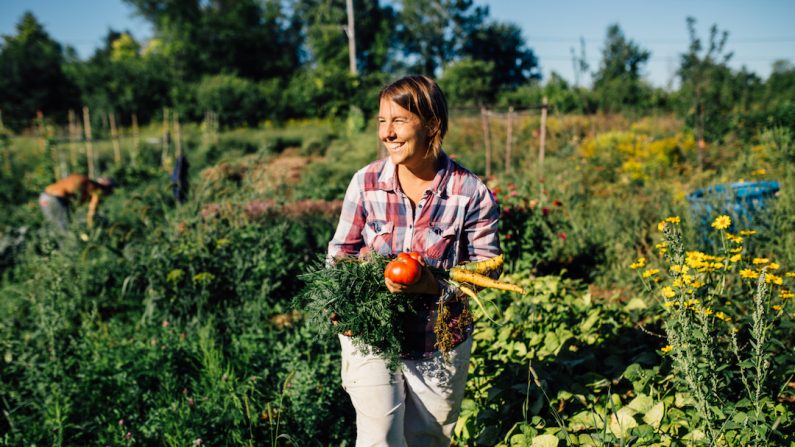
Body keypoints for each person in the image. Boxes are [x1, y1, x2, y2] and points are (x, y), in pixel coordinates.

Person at [327, 75, 501, 446]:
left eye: (399, 120)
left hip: (438, 342)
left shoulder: (471, 193)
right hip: (370, 335)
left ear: (432, 125)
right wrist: (347, 303)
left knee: (426, 439)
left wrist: (433, 286)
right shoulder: (366, 182)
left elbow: (487, 268)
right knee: (380, 438)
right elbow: (339, 255)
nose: (386, 133)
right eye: (381, 121)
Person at [39, 174, 114, 231]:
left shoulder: (82, 179)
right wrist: (91, 228)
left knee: (52, 227)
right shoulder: (95, 188)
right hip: (56, 199)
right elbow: (92, 212)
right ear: (105, 188)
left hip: (44, 197)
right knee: (64, 229)